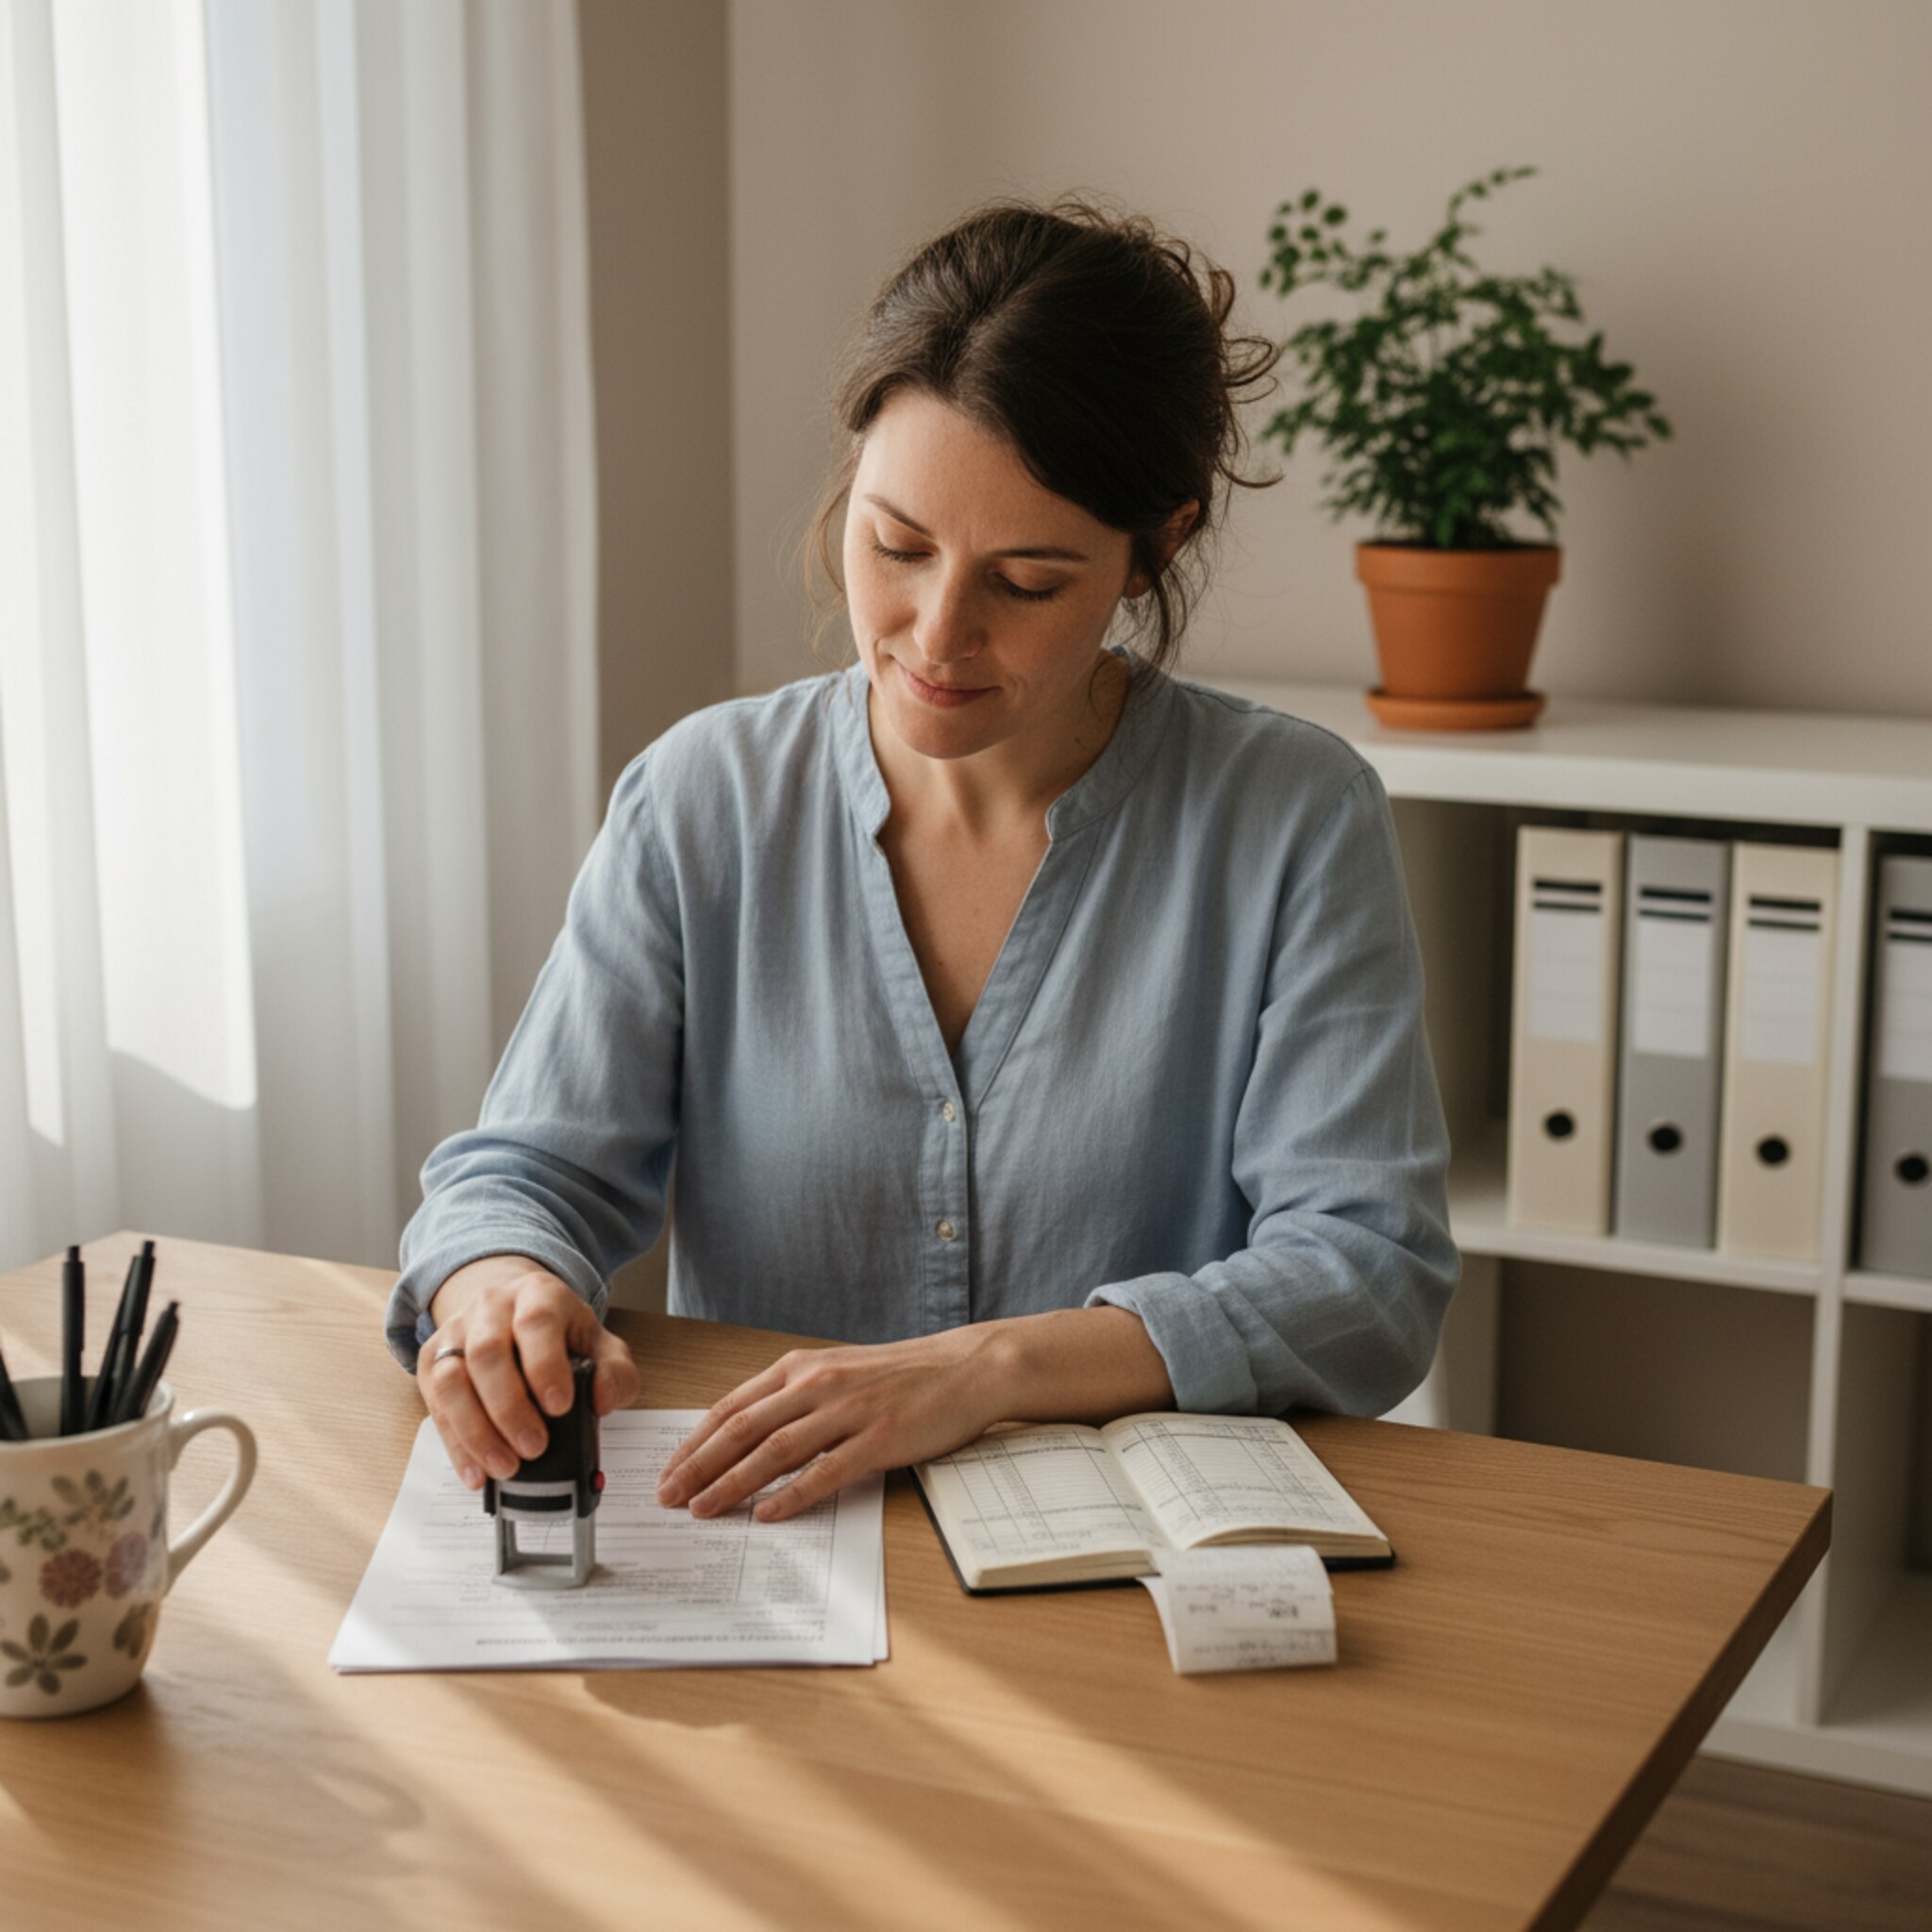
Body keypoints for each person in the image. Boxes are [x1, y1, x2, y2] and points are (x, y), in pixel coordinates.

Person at [387, 196, 1459, 1526]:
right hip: (769, 1555)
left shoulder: (1290, 817)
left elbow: (1364, 1274)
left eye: (1026, 582)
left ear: (1157, 545)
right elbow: (523, 1174)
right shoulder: (700, 800)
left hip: (1127, 1581)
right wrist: (506, 1287)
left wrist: (989, 1369)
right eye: (896, 547)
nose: (935, 636)